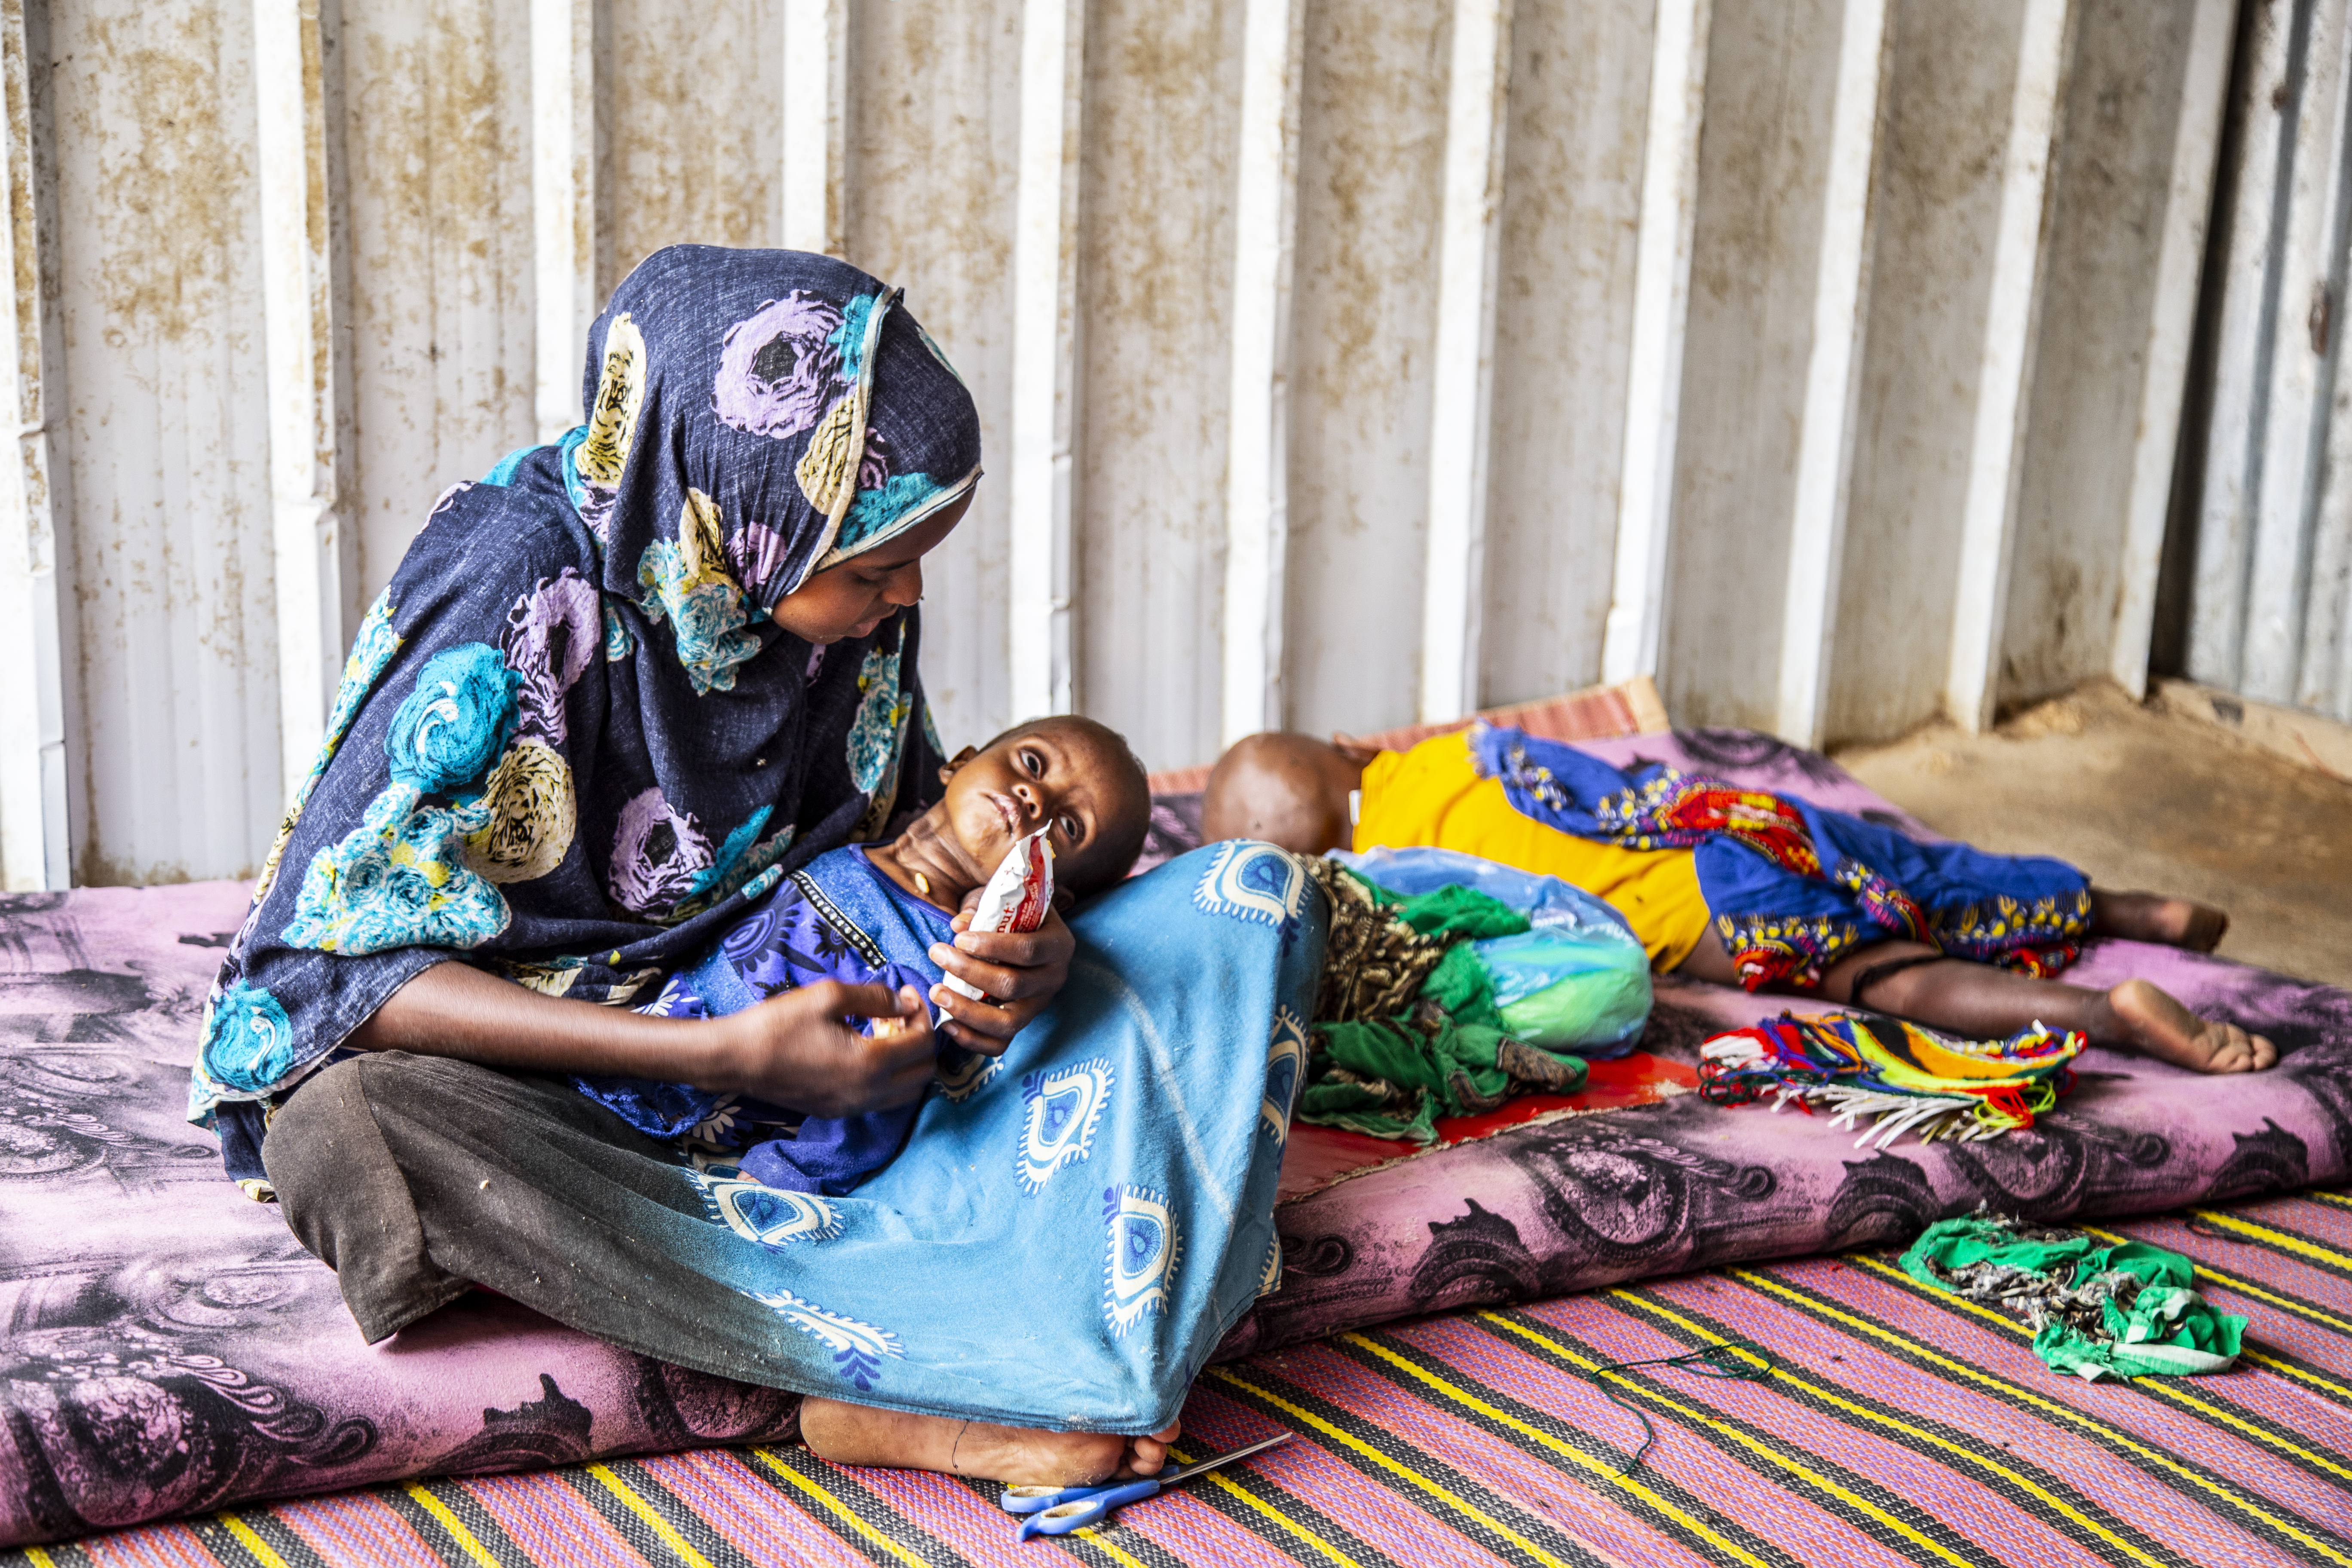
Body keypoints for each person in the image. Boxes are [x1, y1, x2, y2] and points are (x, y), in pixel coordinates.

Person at [188, 248, 1186, 1485]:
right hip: (554, 1074)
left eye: (911, 558)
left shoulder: (822, 598)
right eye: (875, 568)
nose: (907, 593)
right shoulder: (514, 580)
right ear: (741, 501)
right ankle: (848, 1388)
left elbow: (902, 828)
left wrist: (1019, 966)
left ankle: (765, 1295)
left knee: (1139, 1001)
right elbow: (326, 976)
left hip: (788, 1088)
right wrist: (713, 1053)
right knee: (350, 1134)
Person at [1200, 725, 2276, 1074]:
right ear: (1349, 747)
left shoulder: (1395, 882)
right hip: (1730, 830)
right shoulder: (1447, 755)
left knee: (1887, 980)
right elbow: (1591, 785)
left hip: (1723, 932)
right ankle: (2131, 912)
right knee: (1932, 878)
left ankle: (2103, 1016)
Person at [572, 714, 1151, 1196]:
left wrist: (774, 1184)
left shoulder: (951, 959)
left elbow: (876, 1096)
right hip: (624, 1058)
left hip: (699, 1137)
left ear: (1051, 893)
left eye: (1068, 826)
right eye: (1032, 763)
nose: (1037, 798)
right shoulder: (845, 831)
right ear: (960, 760)